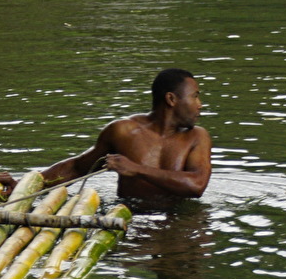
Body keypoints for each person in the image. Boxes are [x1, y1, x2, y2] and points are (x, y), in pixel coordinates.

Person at [38, 68, 212, 201]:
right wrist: (28, 186)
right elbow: (77, 168)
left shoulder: (197, 137)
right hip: (130, 219)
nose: (200, 104)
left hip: (179, 222)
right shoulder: (123, 131)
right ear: (171, 99)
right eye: (195, 96)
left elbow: (196, 185)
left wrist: (136, 169)